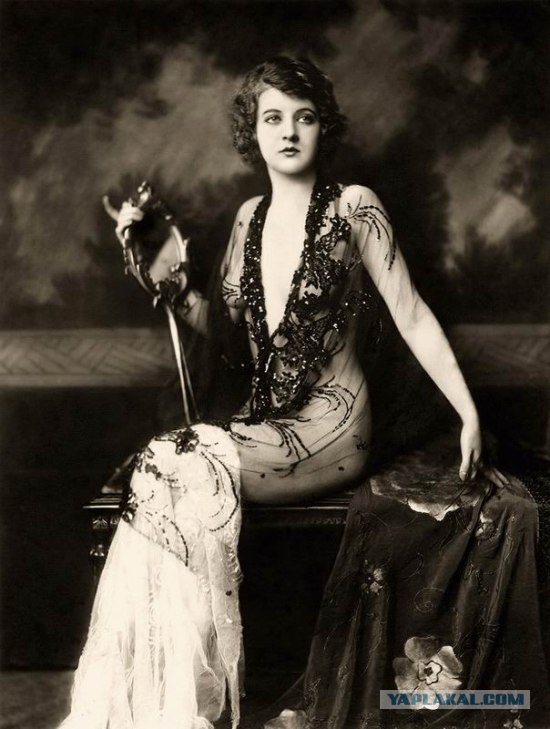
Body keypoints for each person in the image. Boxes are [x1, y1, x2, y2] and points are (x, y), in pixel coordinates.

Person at [59, 57, 548, 729]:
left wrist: (467, 410)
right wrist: (165, 278)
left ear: (324, 128)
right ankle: (157, 703)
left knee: (168, 466)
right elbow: (225, 333)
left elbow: (410, 312)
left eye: (304, 117)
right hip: (267, 423)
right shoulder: (248, 218)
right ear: (253, 132)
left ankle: (173, 706)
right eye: (273, 118)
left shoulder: (354, 208)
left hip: (335, 428)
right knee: (160, 469)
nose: (288, 131)